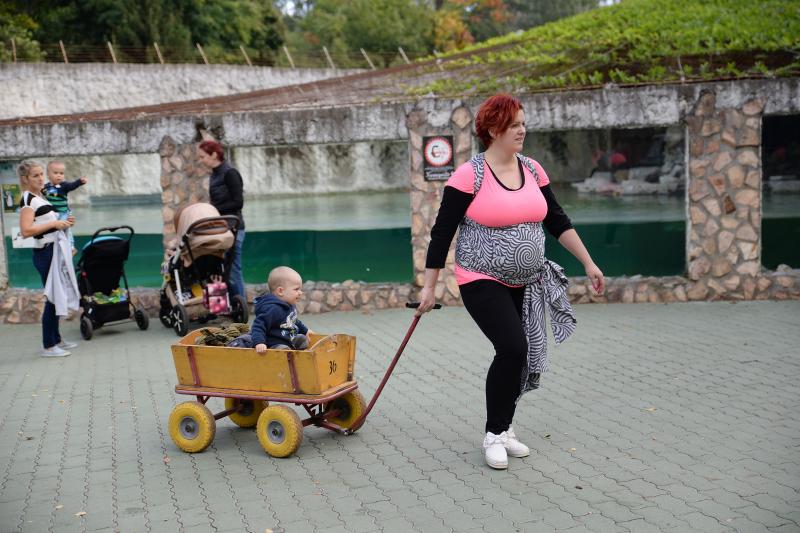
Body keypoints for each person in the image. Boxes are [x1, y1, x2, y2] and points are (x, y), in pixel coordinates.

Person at [416, 94, 605, 469]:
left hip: (528, 280)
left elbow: (557, 221)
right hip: (480, 278)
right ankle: (492, 435)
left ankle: (505, 430)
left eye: (523, 123)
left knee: (522, 356)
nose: (522, 129)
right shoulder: (470, 175)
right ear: (492, 130)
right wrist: (428, 287)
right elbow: (442, 233)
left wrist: (589, 262)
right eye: (514, 124)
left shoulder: (533, 170)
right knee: (513, 349)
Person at [17, 160, 81, 357]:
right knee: (53, 299)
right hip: (45, 253)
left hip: (54, 250)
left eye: (41, 174)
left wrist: (65, 224)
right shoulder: (28, 200)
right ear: (25, 179)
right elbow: (26, 231)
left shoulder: (40, 196)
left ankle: (56, 339)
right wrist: (56, 224)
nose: (40, 178)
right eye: (35, 176)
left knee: (57, 296)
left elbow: (49, 223)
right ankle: (48, 346)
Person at [196, 140, 246, 301]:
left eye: (203, 157)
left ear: (214, 155)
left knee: (234, 269)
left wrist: (213, 210)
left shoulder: (230, 173)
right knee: (222, 268)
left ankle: (240, 306)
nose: (201, 160)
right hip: (222, 228)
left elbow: (238, 202)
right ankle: (229, 305)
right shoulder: (215, 174)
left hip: (234, 228)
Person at [251, 266, 310, 352]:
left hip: (288, 338)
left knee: (303, 339)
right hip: (274, 344)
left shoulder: (289, 303)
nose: (300, 292)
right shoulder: (272, 309)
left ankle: (298, 352)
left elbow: (293, 321)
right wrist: (259, 342)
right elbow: (258, 326)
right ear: (280, 291)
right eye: (296, 289)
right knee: (283, 350)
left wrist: (305, 330)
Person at [42, 160, 87, 253]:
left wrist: (80, 181)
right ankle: (55, 246)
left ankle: (71, 247)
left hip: (63, 213)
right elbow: (41, 193)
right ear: (48, 175)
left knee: (66, 229)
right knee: (54, 230)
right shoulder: (46, 187)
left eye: (61, 173)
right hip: (53, 214)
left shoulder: (64, 185)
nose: (59, 175)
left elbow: (72, 185)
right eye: (55, 173)